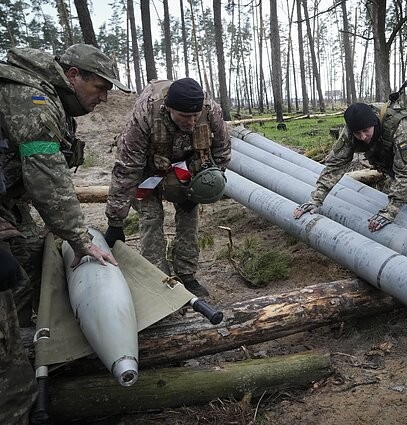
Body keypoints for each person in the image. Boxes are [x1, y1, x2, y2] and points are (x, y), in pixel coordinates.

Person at [0, 43, 127, 425]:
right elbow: (46, 177)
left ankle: (22, 334)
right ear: (73, 76)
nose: (104, 98)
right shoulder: (33, 99)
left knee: (31, 251)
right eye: (99, 88)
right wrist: (80, 239)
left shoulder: (42, 95)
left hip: (9, 202)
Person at [104, 78, 230, 297]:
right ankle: (159, 279)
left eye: (195, 116)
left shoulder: (210, 109)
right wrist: (115, 221)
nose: (191, 122)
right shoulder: (146, 112)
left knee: (189, 217)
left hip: (188, 167)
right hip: (149, 169)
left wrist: (207, 183)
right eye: (184, 116)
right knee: (151, 219)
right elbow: (126, 169)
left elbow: (222, 151)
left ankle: (187, 275)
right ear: (169, 108)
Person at [293, 102, 407, 230]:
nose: (363, 137)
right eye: (358, 133)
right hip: (387, 152)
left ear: (374, 122)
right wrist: (316, 199)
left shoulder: (400, 127)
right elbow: (336, 164)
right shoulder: (351, 131)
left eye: (366, 130)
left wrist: (390, 210)